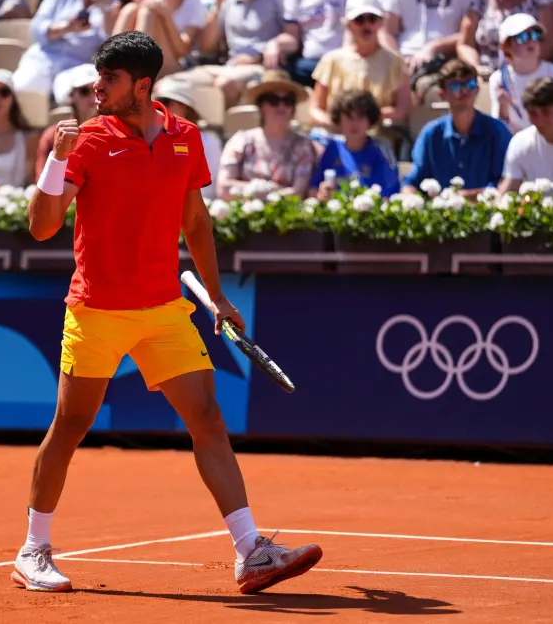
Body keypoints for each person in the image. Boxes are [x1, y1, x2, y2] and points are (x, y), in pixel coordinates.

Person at [16, 30, 323, 595]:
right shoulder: (84, 141)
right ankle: (33, 548)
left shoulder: (185, 138)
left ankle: (251, 550)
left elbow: (196, 221)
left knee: (207, 418)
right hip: (97, 310)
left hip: (162, 310)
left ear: (142, 85)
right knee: (71, 425)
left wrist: (220, 295)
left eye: (107, 80)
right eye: (96, 77)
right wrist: (55, 161)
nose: (95, 87)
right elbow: (41, 226)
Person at [12, 0, 121, 105]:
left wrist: (106, 9)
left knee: (75, 100)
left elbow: (112, 46)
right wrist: (67, 28)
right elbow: (36, 29)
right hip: (43, 60)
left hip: (78, 66)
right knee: (20, 93)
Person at [178, 0, 284, 106]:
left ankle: (224, 128)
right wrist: (217, 5)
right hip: (229, 66)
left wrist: (263, 52)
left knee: (224, 84)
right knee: (172, 85)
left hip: (260, 67)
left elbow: (291, 35)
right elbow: (207, 46)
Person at [402, 59, 513, 194]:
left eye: (470, 85)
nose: (465, 91)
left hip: (488, 211)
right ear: (442, 95)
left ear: (477, 90)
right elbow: (412, 182)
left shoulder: (497, 132)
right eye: (456, 86)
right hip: (440, 212)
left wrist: (465, 197)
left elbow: (507, 183)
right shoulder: (431, 134)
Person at [378, 0, 488, 98]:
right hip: (403, 58)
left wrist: (436, 48)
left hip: (450, 61)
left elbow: (474, 33)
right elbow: (385, 30)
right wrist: (397, 61)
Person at [310, 0, 411, 131]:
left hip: (379, 139)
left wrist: (364, 119)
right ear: (348, 24)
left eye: (372, 19)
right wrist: (341, 125)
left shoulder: (395, 62)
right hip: (337, 138)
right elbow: (315, 111)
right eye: (359, 20)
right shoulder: (331, 60)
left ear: (381, 23)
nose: (366, 25)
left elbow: (403, 110)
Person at [264, 0, 375, 86]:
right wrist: (275, 44)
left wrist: (342, 59)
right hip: (308, 65)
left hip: (347, 62)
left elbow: (365, 23)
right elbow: (292, 36)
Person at [217, 70, 316, 199]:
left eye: (288, 100)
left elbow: (298, 193)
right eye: (273, 100)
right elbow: (223, 188)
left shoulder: (303, 146)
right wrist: (260, 190)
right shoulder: (241, 140)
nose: (281, 105)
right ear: (261, 105)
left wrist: (262, 194)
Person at [111, 0, 207, 77]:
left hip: (181, 65)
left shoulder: (193, 4)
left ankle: (136, 72)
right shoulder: (156, 2)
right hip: (155, 60)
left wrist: (166, 16)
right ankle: (112, 65)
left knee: (148, 12)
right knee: (130, 9)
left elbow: (182, 50)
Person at [488, 13, 553, 132]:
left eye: (535, 35)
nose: (530, 41)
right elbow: (498, 128)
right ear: (506, 46)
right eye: (522, 37)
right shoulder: (498, 79)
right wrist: (503, 107)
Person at [311, 90, 401, 198]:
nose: (354, 124)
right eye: (349, 117)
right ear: (339, 120)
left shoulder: (381, 150)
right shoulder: (332, 148)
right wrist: (321, 195)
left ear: (369, 120)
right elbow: (313, 190)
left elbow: (388, 194)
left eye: (360, 117)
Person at [153, 76, 224, 197]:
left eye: (165, 101)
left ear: (184, 106)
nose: (160, 107)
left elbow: (206, 187)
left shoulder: (208, 141)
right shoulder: (152, 137)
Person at [35, 65, 99, 179]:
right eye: (84, 91)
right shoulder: (52, 134)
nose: (92, 96)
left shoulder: (114, 130)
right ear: (71, 96)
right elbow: (41, 179)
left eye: (96, 90)